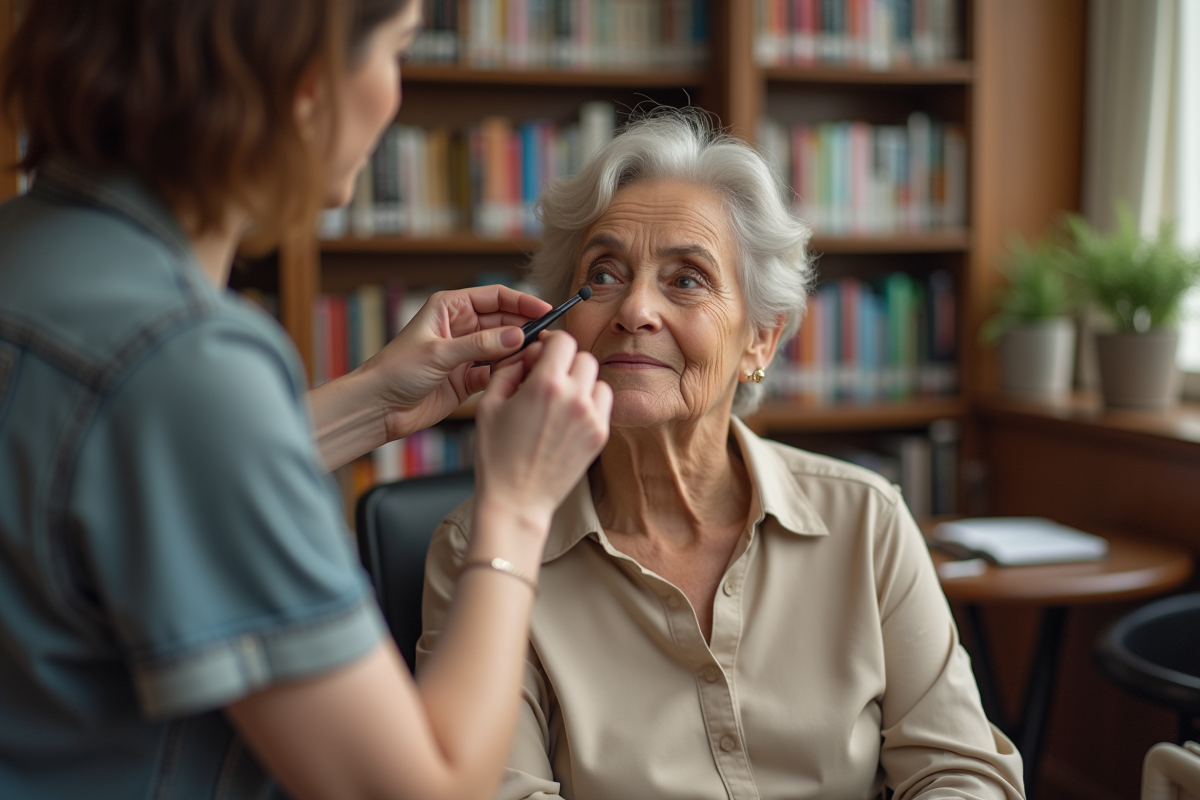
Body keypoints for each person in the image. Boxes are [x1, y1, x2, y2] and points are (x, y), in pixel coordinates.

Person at [0, 2, 611, 799]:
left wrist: (372, 407)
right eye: (394, 52)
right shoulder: (184, 361)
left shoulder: (27, 254)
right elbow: (420, 791)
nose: (394, 97)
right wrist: (520, 506)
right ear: (304, 85)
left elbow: (105, 473)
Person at [419, 111, 1026, 800]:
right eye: (605, 274)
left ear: (760, 342)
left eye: (686, 279)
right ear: (564, 323)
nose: (635, 309)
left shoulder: (868, 521)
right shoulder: (480, 551)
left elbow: (961, 772)